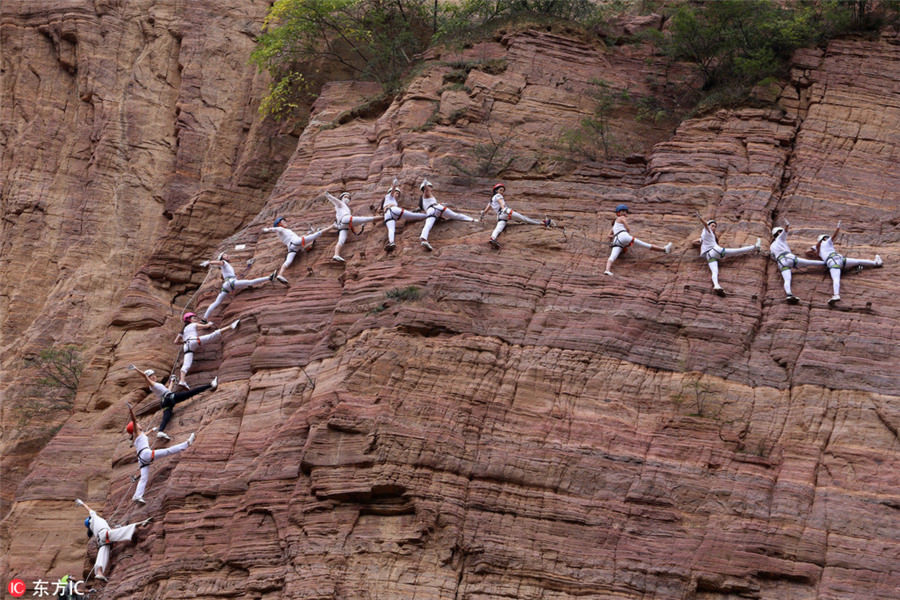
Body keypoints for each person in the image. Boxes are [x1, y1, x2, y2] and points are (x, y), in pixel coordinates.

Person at [126, 403, 195, 504]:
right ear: (135, 427)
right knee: (167, 451)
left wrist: (151, 430)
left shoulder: (139, 435)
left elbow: (144, 434)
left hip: (141, 459)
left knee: (144, 478)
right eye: (137, 424)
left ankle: (137, 496)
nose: (139, 424)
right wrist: (131, 410)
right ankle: (186, 444)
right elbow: (134, 419)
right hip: (146, 454)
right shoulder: (136, 432)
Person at [75, 498, 151, 581]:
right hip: (105, 534)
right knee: (123, 531)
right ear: (89, 520)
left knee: (102, 556)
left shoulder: (93, 527)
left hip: (102, 539)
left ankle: (99, 573)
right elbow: (89, 509)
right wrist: (82, 503)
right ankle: (140, 523)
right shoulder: (94, 518)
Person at [134, 367, 217, 441]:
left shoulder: (155, 385)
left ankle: (160, 431)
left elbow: (167, 391)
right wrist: (136, 369)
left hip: (165, 401)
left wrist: (172, 381)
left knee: (167, 416)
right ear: (148, 378)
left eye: (154, 375)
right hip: (170, 398)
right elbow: (144, 376)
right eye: (151, 376)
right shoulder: (152, 384)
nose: (154, 376)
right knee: (190, 393)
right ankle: (210, 385)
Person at [812, 222, 883, 305]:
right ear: (823, 239)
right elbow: (834, 236)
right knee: (857, 262)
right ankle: (875, 263)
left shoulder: (819, 247)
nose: (828, 238)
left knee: (836, 278)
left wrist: (816, 247)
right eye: (826, 237)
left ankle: (836, 295)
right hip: (839, 260)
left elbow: (811, 251)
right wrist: (838, 228)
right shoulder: (826, 243)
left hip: (833, 262)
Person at [696, 214, 760, 295]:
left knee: (715, 272)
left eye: (715, 226)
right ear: (708, 226)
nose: (714, 228)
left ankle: (716, 285)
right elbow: (705, 224)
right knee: (737, 251)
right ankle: (755, 247)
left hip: (709, 256)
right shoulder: (707, 231)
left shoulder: (704, 236)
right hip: (716, 251)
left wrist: (699, 243)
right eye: (712, 226)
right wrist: (700, 218)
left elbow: (695, 241)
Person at [201, 253, 276, 320]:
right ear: (222, 258)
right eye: (225, 255)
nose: (227, 255)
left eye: (227, 254)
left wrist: (248, 266)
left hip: (227, 285)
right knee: (250, 282)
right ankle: (269, 278)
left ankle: (204, 319)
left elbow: (235, 275)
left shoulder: (227, 266)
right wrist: (209, 262)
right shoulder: (224, 263)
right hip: (231, 283)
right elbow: (219, 262)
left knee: (216, 302)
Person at [603, 204, 672, 276]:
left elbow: (609, 236)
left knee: (612, 257)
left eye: (625, 211)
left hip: (616, 241)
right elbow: (627, 227)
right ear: (619, 213)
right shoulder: (621, 217)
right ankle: (664, 249)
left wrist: (613, 238)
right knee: (645, 245)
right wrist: (627, 231)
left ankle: (607, 270)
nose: (624, 213)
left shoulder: (614, 226)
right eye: (623, 211)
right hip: (624, 236)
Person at [175, 312, 239, 388]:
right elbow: (206, 326)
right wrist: (210, 323)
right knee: (213, 335)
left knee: (186, 365)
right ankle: (230, 326)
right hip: (194, 341)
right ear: (189, 319)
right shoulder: (193, 324)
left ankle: (182, 381)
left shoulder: (183, 330)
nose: (195, 319)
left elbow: (176, 342)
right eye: (194, 318)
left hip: (186, 346)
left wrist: (184, 341)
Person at [480, 183, 552, 249]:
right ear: (496, 191)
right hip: (506, 212)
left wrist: (482, 216)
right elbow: (501, 202)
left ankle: (493, 238)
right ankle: (543, 223)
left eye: (503, 191)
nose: (502, 192)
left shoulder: (491, 200)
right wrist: (503, 208)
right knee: (524, 219)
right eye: (500, 190)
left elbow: (485, 211)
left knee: (498, 229)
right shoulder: (498, 195)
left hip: (500, 216)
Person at [262, 217, 334, 282]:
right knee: (315, 235)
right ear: (279, 224)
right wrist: (268, 229)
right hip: (296, 242)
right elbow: (274, 229)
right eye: (283, 222)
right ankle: (333, 226)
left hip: (292, 247)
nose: (285, 223)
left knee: (288, 261)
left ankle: (280, 275)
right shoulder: (281, 229)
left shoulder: (282, 233)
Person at [769, 223, 823, 304]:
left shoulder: (771, 246)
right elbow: (785, 231)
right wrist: (787, 225)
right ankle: (826, 263)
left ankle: (789, 294)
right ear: (779, 233)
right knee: (809, 262)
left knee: (787, 280)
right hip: (789, 257)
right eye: (780, 231)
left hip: (781, 263)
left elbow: (773, 257)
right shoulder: (780, 238)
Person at [417, 178, 476, 251]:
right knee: (455, 215)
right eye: (430, 186)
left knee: (428, 225)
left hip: (432, 211)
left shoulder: (424, 199)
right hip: (437, 209)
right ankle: (473, 220)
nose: (431, 188)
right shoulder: (426, 194)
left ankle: (424, 240)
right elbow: (426, 190)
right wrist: (425, 183)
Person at [325, 191, 380, 262]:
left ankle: (336, 255)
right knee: (366, 219)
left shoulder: (344, 207)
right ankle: (384, 217)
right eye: (345, 197)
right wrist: (328, 196)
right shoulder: (340, 204)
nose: (347, 199)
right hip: (345, 219)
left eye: (348, 198)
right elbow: (335, 200)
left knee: (341, 241)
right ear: (341, 198)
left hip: (343, 225)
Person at [381, 179, 427, 251]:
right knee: (412, 216)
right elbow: (392, 191)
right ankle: (427, 215)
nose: (397, 195)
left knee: (391, 229)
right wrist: (394, 184)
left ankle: (391, 242)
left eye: (398, 194)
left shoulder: (389, 200)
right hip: (394, 210)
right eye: (397, 193)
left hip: (387, 215)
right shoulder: (389, 196)